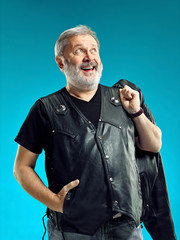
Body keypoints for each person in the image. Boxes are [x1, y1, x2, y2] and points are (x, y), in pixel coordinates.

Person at [13, 25, 174, 240]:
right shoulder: (46, 108)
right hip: (72, 230)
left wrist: (136, 112)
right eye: (79, 51)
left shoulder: (123, 98)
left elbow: (153, 145)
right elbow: (21, 167)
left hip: (125, 227)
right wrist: (55, 202)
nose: (89, 57)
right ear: (61, 62)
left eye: (94, 50)